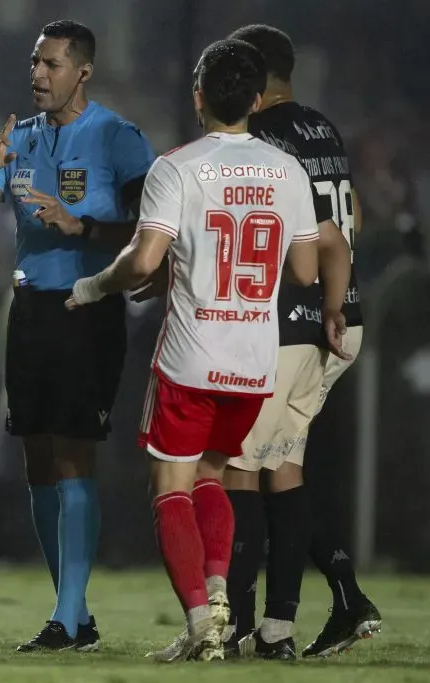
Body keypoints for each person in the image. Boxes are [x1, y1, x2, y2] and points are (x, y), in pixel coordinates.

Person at [69, 38, 323, 662]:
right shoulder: (288, 169)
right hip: (254, 360)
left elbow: (146, 260)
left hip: (192, 353)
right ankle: (216, 599)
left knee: (171, 488)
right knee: (214, 475)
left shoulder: (178, 167)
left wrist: (98, 283)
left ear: (199, 96)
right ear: (258, 101)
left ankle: (198, 623)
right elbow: (305, 268)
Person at [0, 19, 155, 652]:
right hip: (29, 309)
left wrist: (81, 228)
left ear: (83, 71)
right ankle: (73, 616)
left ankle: (66, 616)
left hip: (88, 309)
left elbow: (148, 227)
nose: (37, 75)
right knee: (37, 463)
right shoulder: (17, 138)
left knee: (75, 456)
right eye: (33, 63)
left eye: (50, 65)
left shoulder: (116, 137)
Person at [221, 24, 379, 659]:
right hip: (343, 313)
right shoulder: (321, 127)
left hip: (295, 319)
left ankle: (248, 623)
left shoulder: (261, 135)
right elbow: (353, 219)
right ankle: (340, 596)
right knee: (281, 466)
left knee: (246, 469)